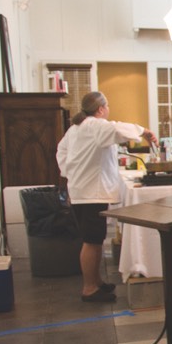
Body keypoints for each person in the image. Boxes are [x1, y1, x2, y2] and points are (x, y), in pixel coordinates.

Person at [56, 91, 157, 302]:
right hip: (91, 193)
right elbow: (117, 128)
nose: (109, 111)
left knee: (94, 239)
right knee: (92, 241)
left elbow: (61, 152)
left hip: (82, 190)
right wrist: (144, 131)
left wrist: (71, 172)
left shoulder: (75, 129)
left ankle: (97, 282)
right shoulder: (95, 125)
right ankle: (89, 288)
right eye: (107, 107)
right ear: (100, 109)